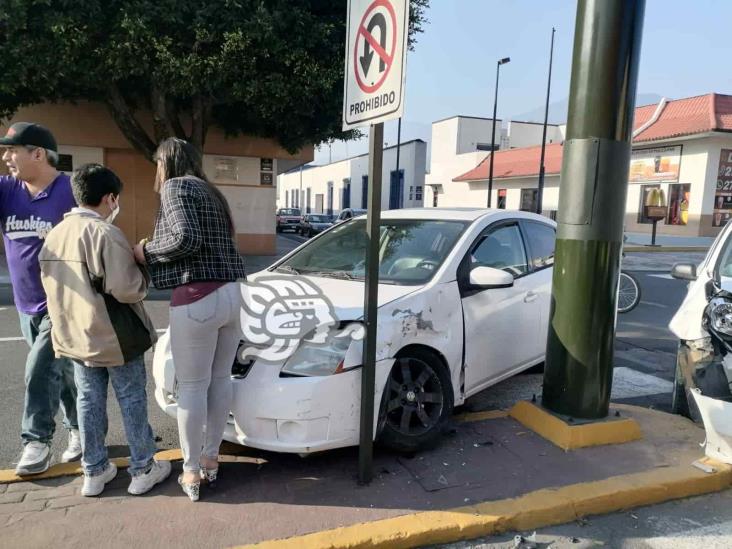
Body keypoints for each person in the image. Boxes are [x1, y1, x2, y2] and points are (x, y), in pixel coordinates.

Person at [39, 163, 171, 496]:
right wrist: (142, 269)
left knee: (88, 400)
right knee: (131, 398)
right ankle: (143, 467)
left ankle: (94, 471)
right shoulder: (105, 234)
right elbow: (128, 290)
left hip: (75, 336)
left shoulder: (55, 234)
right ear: (110, 198)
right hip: (114, 336)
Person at [133, 138, 246, 502]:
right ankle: (211, 459)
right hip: (232, 294)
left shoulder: (174, 186)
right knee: (219, 380)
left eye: (157, 164)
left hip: (197, 296)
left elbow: (184, 237)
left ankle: (192, 470)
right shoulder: (213, 192)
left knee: (192, 387)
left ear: (165, 162)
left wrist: (145, 251)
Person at [0, 122, 80, 475]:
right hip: (25, 302)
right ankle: (80, 429)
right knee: (58, 375)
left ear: (38, 154)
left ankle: (36, 441)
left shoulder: (72, 190)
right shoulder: (6, 190)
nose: (6, 158)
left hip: (62, 302)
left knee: (38, 370)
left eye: (12, 150)